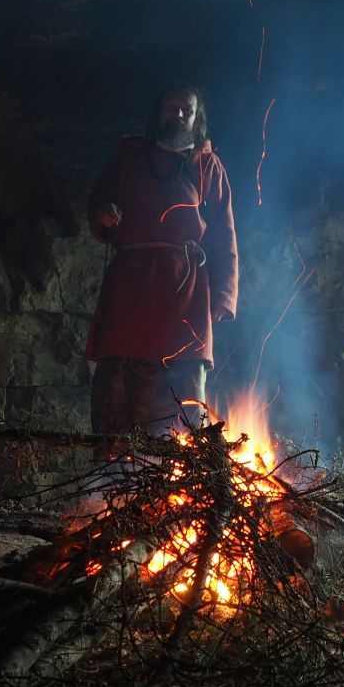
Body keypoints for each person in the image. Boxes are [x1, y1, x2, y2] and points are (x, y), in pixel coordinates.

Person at [85, 84, 239, 446]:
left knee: (181, 396)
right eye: (172, 107)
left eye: (187, 109)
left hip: (185, 291)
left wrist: (223, 297)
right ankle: (108, 481)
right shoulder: (129, 157)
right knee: (117, 388)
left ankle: (177, 485)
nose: (179, 114)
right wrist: (103, 216)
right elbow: (99, 203)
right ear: (159, 113)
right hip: (131, 288)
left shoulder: (208, 166)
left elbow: (223, 234)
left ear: (197, 117)